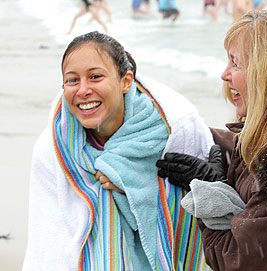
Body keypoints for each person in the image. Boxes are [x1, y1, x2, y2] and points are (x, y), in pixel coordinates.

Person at [22, 31, 216, 270]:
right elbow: (50, 236)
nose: (83, 90)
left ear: (125, 81)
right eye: (72, 80)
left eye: (95, 76)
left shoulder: (174, 130)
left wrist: (135, 184)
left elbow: (212, 204)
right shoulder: (54, 147)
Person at [157, 8, 267, 270]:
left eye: (236, 63)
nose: (224, 74)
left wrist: (212, 194)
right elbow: (238, 146)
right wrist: (174, 132)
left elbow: (240, 260)